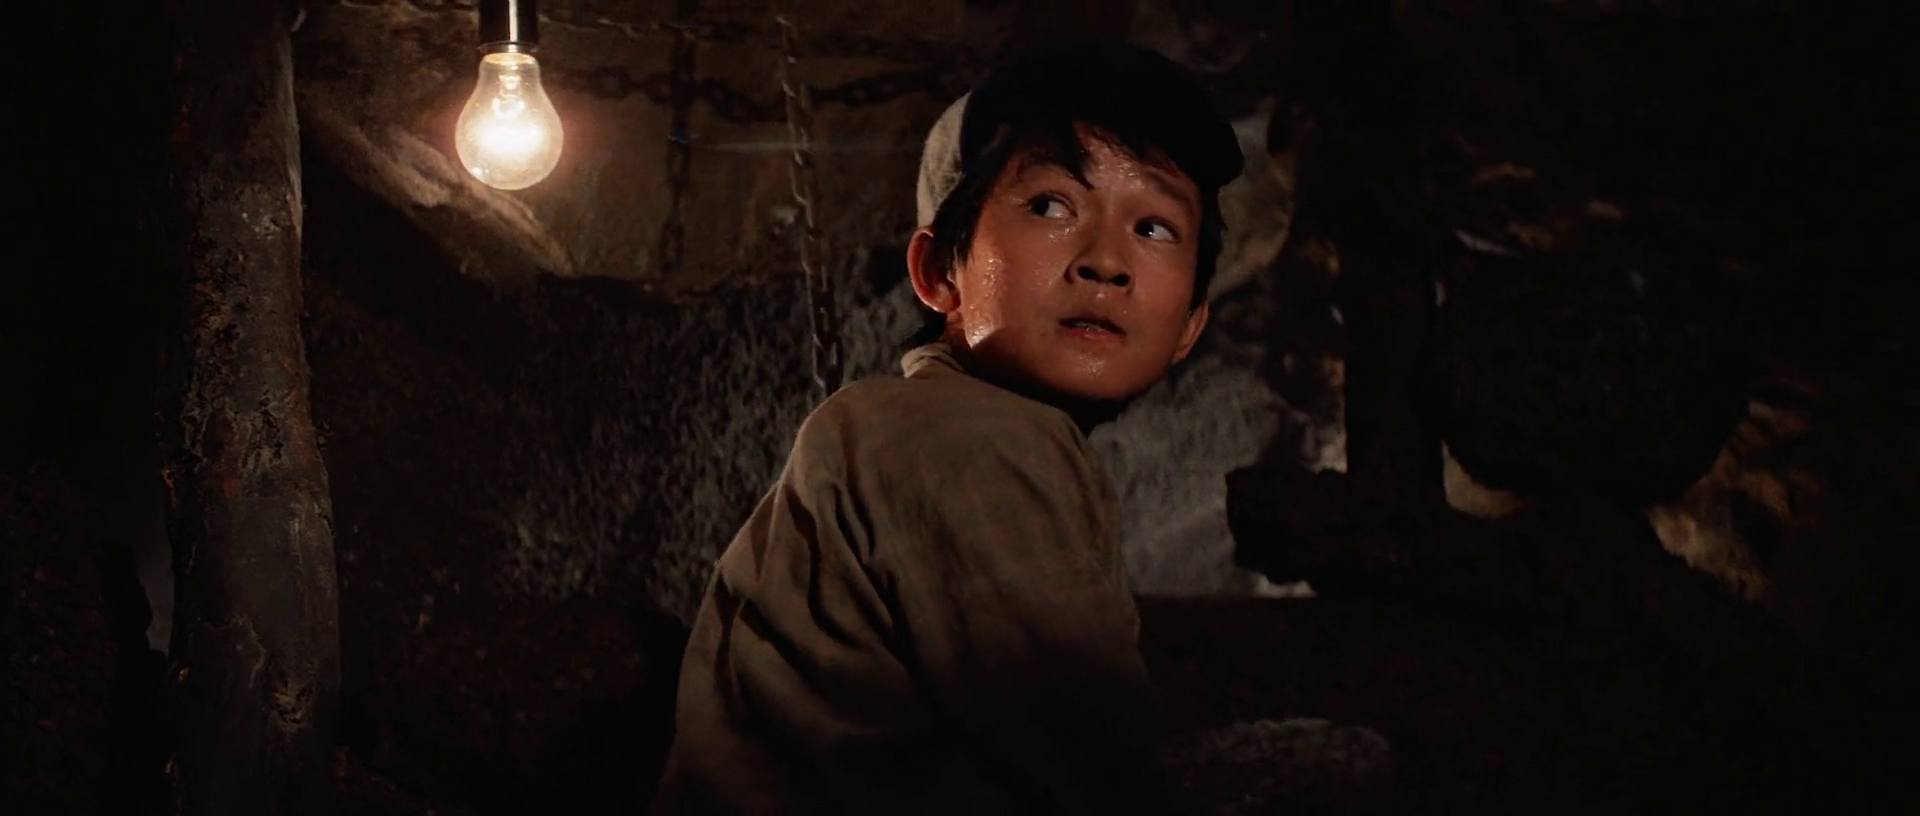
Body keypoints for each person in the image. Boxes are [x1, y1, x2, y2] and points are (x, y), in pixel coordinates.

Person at [652, 38, 1245, 815]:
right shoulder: (967, 436)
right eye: (1051, 206)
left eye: (1156, 228)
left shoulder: (911, 426)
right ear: (939, 273)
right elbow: (1090, 758)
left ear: (1190, 323)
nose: (1107, 261)